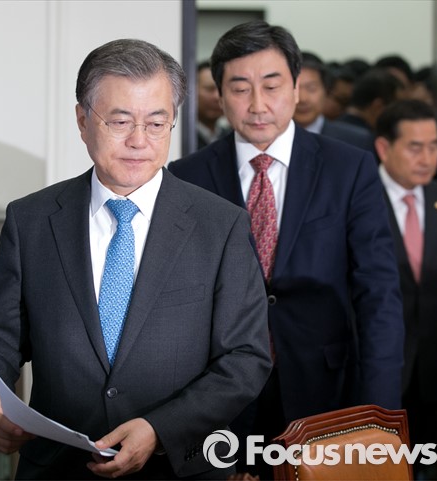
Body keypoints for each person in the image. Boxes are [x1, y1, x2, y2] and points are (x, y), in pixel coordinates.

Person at [0, 38, 272, 480]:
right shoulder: (31, 220)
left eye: (156, 123)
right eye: (120, 121)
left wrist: (160, 429)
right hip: (57, 468)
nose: (138, 141)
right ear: (82, 120)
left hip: (177, 469)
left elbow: (245, 358)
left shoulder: (220, 225)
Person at [168, 20, 404, 479]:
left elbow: (378, 294)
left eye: (272, 86)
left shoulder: (348, 168)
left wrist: (380, 415)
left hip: (327, 389)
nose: (258, 105)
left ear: (297, 88)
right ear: (219, 95)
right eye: (240, 88)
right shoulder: (185, 177)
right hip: (221, 401)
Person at [374, 99, 437, 479]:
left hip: (436, 373)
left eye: (434, 146)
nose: (427, 158)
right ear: (384, 148)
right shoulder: (360, 200)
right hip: (380, 368)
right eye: (415, 147)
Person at [293, 52, 374, 152]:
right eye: (294, 88)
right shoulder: (273, 137)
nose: (303, 99)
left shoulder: (357, 141)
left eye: (311, 88)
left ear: (327, 91)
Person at [196, 60, 229, 149]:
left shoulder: (230, 137)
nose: (217, 96)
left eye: (221, 90)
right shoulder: (182, 138)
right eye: (209, 89)